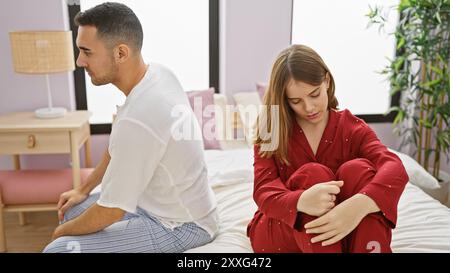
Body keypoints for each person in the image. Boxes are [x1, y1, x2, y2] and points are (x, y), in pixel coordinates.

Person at [43, 2, 218, 253]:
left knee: (57, 249)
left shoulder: (140, 117)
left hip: (182, 225)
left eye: (87, 52)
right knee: (71, 212)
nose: (80, 61)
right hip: (151, 203)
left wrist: (59, 234)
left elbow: (111, 210)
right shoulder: (157, 73)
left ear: (121, 53)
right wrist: (83, 189)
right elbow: (117, 148)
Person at [247, 44, 409, 253]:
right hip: (283, 227)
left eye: (314, 94)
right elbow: (263, 190)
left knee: (359, 170)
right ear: (284, 100)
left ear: (327, 81)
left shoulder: (352, 128)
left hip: (344, 225)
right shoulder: (271, 131)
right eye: (296, 101)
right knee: (313, 174)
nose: (309, 108)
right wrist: (301, 200)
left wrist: (359, 205)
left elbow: (394, 168)